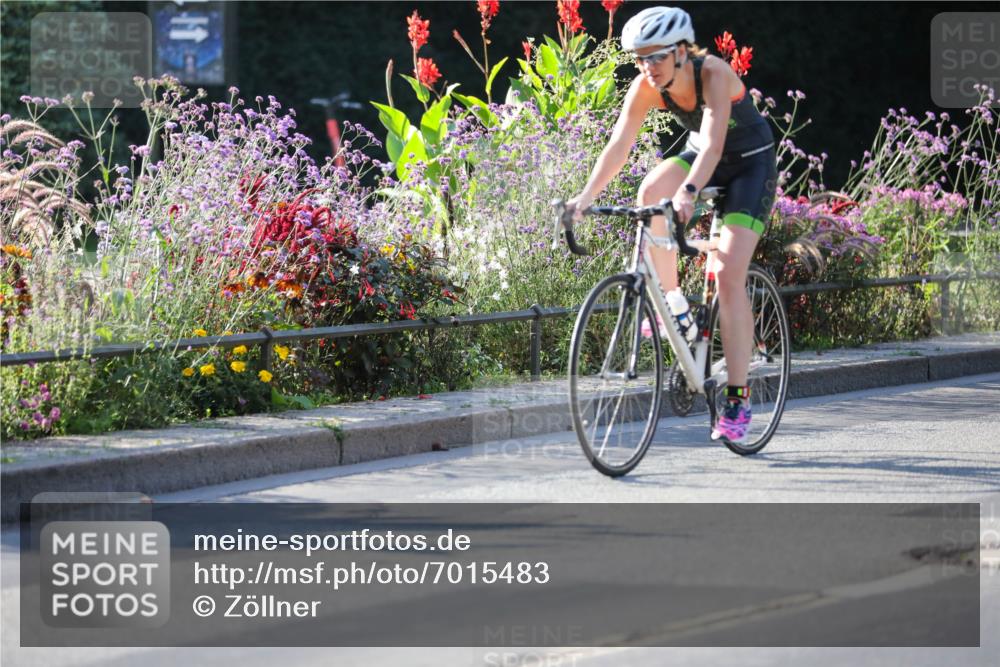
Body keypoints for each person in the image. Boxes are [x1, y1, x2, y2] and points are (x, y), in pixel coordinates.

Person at [566, 6, 777, 444]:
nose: (649, 67)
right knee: (649, 194)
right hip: (702, 156)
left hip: (749, 165)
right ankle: (675, 307)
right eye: (640, 58)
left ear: (682, 51)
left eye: (657, 56)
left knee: (728, 274)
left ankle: (737, 399)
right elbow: (619, 145)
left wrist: (689, 192)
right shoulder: (646, 86)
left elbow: (715, 144)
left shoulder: (713, 74)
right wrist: (584, 199)